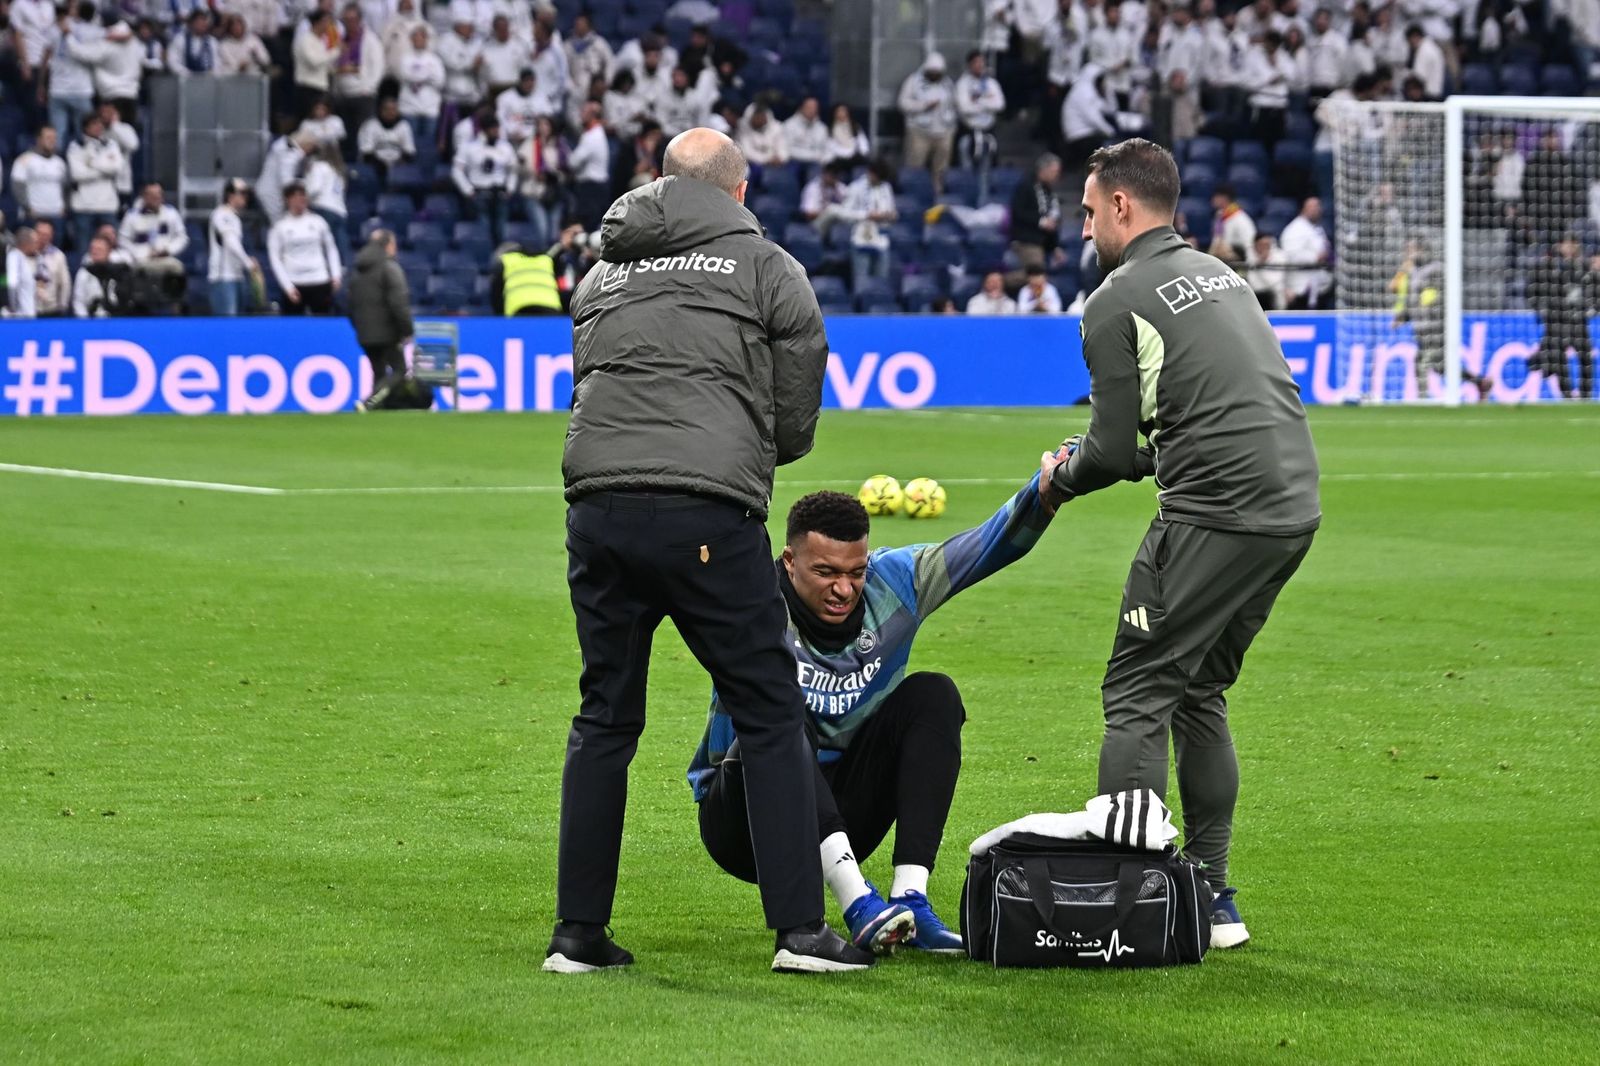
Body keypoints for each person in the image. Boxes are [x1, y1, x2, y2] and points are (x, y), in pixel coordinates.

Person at [552, 128, 854, 975]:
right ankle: (800, 931)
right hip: (706, 513)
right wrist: (761, 456)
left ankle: (576, 936)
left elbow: (590, 374)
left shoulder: (604, 267)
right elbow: (798, 395)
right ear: (739, 192)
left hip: (598, 508)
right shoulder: (765, 265)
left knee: (604, 716)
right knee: (767, 709)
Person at [1049, 139, 1321, 950]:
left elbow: (1102, 453)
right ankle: (1210, 896)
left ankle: (1135, 912)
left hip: (1215, 514)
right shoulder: (1224, 275)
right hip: (1291, 510)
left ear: (1123, 207)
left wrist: (1059, 476)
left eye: (1090, 211)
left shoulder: (1115, 298)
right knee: (1197, 687)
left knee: (1138, 691)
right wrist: (1131, 459)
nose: (1086, 227)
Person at [691, 474, 1061, 956]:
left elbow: (984, 546)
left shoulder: (897, 583)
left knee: (935, 695)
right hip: (744, 816)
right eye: (825, 572)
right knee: (780, 712)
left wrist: (1044, 495)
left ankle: (912, 900)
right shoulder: (754, 602)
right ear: (788, 562)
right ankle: (857, 902)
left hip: (845, 812)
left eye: (855, 571)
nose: (844, 589)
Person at [346, 229, 415, 409]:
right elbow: (399, 302)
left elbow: (350, 305)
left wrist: (359, 326)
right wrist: (407, 330)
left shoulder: (358, 270)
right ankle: (369, 403)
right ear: (388, 246)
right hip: (387, 331)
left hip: (364, 332)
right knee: (400, 369)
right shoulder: (389, 267)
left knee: (379, 373)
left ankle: (377, 409)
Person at [1527, 235, 1594, 400]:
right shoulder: (1549, 267)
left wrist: (1591, 308)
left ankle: (1585, 396)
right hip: (1556, 321)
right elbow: (1532, 290)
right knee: (1558, 360)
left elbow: (1593, 290)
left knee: (1585, 357)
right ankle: (1567, 396)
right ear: (1559, 246)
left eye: (1573, 244)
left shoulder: (1585, 267)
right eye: (1566, 244)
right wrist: (1541, 309)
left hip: (1578, 321)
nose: (1570, 248)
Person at [268, 181, 342, 314]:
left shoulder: (318, 222)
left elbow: (331, 249)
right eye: (296, 196)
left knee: (322, 326)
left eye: (303, 195)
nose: (300, 199)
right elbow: (275, 260)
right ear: (288, 200)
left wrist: (336, 275)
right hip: (295, 283)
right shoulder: (280, 227)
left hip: (319, 281)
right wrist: (288, 287)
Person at [119, 183, 189, 311]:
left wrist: (168, 250)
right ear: (144, 197)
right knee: (135, 270)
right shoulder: (132, 216)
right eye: (153, 195)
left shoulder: (171, 213)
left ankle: (175, 306)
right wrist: (139, 253)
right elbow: (123, 240)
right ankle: (140, 307)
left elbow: (182, 237)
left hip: (164, 257)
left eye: (159, 194)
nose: (158, 198)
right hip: (142, 258)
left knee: (177, 267)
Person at [451, 115, 518, 244]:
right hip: (479, 192)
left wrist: (510, 188)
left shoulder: (505, 147)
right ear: (484, 130)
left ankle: (499, 259)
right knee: (483, 232)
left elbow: (513, 170)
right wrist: (468, 190)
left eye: (497, 129)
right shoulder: (468, 147)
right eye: (493, 129)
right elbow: (456, 171)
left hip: (500, 193)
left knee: (501, 232)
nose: (496, 132)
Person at [898, 52, 957, 192]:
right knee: (915, 165)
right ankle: (913, 191)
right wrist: (924, 106)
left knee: (941, 168)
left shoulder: (948, 83)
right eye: (932, 72)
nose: (935, 75)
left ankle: (938, 192)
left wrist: (951, 126)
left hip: (943, 131)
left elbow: (954, 105)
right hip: (919, 131)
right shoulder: (913, 81)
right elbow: (903, 103)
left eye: (938, 73)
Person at [66, 113, 124, 252]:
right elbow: (77, 174)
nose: (98, 127)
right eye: (94, 124)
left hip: (108, 205)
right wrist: (104, 168)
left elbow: (117, 167)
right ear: (85, 127)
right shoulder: (76, 146)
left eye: (100, 124)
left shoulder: (111, 144)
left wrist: (91, 163)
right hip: (83, 206)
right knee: (84, 250)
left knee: (112, 249)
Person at [1009, 152, 1064, 282]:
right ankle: (997, 282)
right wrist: (1041, 222)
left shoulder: (1048, 190)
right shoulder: (1025, 186)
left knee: (1040, 277)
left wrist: (1054, 246)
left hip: (1043, 242)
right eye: (1054, 171)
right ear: (1044, 169)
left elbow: (1050, 218)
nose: (1057, 175)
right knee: (1037, 276)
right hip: (1026, 240)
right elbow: (1018, 212)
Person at [209, 178, 259, 316]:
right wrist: (248, 263)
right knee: (227, 324)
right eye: (242, 193)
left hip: (237, 276)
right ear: (230, 195)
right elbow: (230, 241)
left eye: (246, 193)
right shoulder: (221, 214)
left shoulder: (234, 217)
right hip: (223, 277)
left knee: (239, 324)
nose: (245, 197)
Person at [841, 160, 896, 283]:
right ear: (870, 173)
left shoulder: (886, 187)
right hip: (862, 238)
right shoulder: (856, 187)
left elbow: (891, 209)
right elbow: (844, 213)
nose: (879, 182)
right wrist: (867, 215)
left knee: (881, 282)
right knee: (862, 281)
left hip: (881, 239)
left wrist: (891, 215)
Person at [954, 50, 1005, 175]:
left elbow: (1000, 104)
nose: (980, 65)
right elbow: (964, 108)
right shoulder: (963, 84)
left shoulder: (991, 83)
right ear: (970, 64)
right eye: (976, 62)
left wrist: (979, 102)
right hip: (969, 132)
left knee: (988, 170)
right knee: (967, 168)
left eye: (982, 62)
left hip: (988, 132)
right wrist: (987, 102)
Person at [10, 128, 68, 235]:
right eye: (48, 137)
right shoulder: (25, 159)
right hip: (35, 214)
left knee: (54, 251)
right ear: (39, 140)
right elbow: (17, 186)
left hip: (56, 214)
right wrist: (27, 207)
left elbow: (65, 187)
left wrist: (64, 207)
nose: (52, 141)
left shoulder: (60, 162)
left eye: (54, 138)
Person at [1277, 196, 1332, 309]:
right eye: (1313, 206)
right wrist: (1315, 257)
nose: (1317, 209)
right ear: (1304, 208)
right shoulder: (1295, 229)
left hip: (1317, 285)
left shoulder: (1315, 227)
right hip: (1301, 288)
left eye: (1318, 206)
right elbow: (1290, 255)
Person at [487, 238, 563, 315]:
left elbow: (496, 294)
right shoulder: (546, 259)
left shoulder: (506, 260)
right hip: (551, 308)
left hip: (519, 308)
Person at [568, 101, 612, 231]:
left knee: (588, 227)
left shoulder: (592, 136)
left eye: (584, 112)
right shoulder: (596, 134)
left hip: (591, 189)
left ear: (592, 116)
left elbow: (573, 162)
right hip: (597, 187)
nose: (581, 115)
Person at [72, 234, 133, 317]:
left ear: (108, 251)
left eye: (99, 249)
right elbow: (78, 301)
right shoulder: (83, 272)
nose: (95, 252)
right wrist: (85, 323)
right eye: (92, 249)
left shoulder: (120, 272)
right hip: (90, 321)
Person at [358, 96, 417, 176]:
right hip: (375, 168)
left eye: (393, 109)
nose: (390, 112)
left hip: (398, 168)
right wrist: (382, 166)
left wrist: (397, 166)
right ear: (381, 110)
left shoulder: (404, 125)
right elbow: (366, 153)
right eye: (387, 109)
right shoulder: (371, 125)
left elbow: (409, 152)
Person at [1208, 182, 1256, 267]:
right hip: (1221, 261)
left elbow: (1249, 245)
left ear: (1224, 198)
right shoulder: (1220, 216)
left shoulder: (1240, 219)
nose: (1212, 199)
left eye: (1215, 196)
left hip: (1238, 263)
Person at [31, 221, 72, 316]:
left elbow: (65, 283)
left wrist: (63, 306)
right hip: (29, 308)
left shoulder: (59, 256)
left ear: (51, 236)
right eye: (39, 233)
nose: (42, 237)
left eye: (46, 234)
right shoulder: (24, 255)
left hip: (51, 310)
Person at [6, 228, 40, 317]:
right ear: (26, 243)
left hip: (27, 314)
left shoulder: (22, 258)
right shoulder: (14, 256)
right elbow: (12, 284)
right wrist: (13, 309)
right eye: (35, 242)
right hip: (20, 317)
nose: (37, 245)